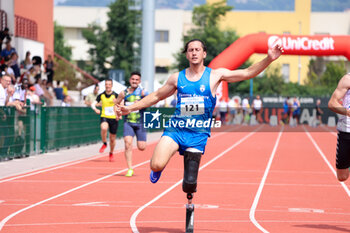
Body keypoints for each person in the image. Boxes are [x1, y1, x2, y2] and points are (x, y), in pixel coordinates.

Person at [117, 39, 283, 194]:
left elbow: (247, 73)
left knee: (189, 184)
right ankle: (157, 169)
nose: (194, 53)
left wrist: (269, 59)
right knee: (156, 164)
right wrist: (130, 108)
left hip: (198, 134)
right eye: (190, 50)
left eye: (197, 50)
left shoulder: (215, 75)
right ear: (187, 55)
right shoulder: (177, 78)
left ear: (204, 54)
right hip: (176, 129)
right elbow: (156, 96)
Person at [114, 71, 148, 177]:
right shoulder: (124, 93)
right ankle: (129, 168)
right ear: (130, 80)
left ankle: (140, 143)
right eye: (133, 79)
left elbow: (151, 101)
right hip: (128, 122)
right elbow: (116, 103)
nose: (134, 81)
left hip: (140, 122)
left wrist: (141, 103)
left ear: (139, 81)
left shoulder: (143, 92)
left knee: (142, 147)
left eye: (137, 80)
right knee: (127, 143)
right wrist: (117, 113)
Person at [328, 73, 350, 182]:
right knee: (342, 176)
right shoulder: (347, 79)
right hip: (346, 131)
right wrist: (347, 112)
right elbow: (332, 103)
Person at [91, 79, 119, 162]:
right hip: (104, 116)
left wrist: (118, 111)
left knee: (112, 138)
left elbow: (121, 104)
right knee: (103, 128)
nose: (108, 86)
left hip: (113, 118)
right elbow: (93, 103)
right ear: (105, 85)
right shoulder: (101, 95)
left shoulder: (116, 95)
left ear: (112, 85)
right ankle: (104, 143)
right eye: (106, 84)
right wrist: (95, 109)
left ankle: (111, 152)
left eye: (109, 84)